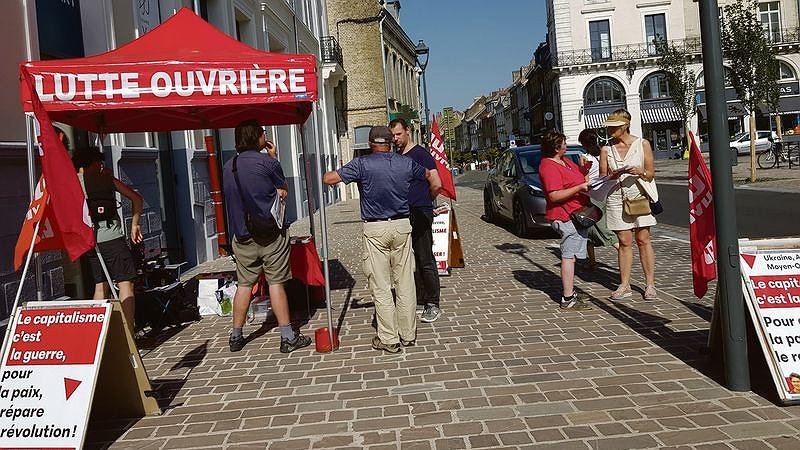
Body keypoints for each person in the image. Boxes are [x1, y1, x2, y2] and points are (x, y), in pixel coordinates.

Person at [323, 126, 440, 352]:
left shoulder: (362, 164)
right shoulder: (404, 162)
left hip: (375, 229)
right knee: (405, 282)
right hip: (402, 226)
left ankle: (388, 339)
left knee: (382, 286)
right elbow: (427, 174)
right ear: (390, 142)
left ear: (370, 144)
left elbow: (330, 179)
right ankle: (407, 334)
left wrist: (329, 171)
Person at [222, 119, 311, 353]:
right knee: (276, 283)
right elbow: (284, 190)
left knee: (244, 284)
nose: (265, 136)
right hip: (271, 235)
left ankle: (236, 336)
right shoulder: (266, 163)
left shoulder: (228, 165)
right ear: (257, 137)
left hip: (242, 235)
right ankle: (287, 336)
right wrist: (273, 157)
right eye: (263, 133)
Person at [72, 147, 143, 334]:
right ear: (94, 162)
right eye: (99, 162)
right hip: (112, 238)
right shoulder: (107, 179)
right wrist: (134, 225)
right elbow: (136, 198)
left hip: (90, 241)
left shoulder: (73, 184)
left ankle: (98, 333)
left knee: (100, 285)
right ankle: (128, 333)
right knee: (126, 283)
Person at [599, 109, 658, 301]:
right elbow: (602, 179)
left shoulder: (642, 144)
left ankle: (650, 285)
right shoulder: (606, 150)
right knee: (624, 242)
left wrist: (640, 171)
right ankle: (624, 285)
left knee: (643, 239)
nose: (610, 130)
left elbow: (650, 174)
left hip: (638, 196)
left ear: (624, 126)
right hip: (616, 197)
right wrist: (612, 176)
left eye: (614, 127)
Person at [389, 118, 443, 323]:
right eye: (392, 136)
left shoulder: (420, 154)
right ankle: (418, 298)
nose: (395, 139)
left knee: (424, 256)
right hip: (403, 213)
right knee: (407, 259)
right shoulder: (396, 156)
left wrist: (425, 202)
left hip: (420, 211)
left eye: (398, 134)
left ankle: (432, 302)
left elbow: (436, 183)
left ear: (408, 132)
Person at [538, 129, 592, 311]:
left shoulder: (564, 161)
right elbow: (554, 195)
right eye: (563, 144)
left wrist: (584, 170)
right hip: (565, 215)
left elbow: (577, 178)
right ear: (555, 147)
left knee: (572, 255)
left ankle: (570, 292)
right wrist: (579, 188)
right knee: (568, 256)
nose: (566, 146)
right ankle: (567, 297)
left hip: (576, 212)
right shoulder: (548, 166)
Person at [578, 129, 619, 269]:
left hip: (591, 195)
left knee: (598, 226)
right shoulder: (602, 153)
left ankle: (620, 248)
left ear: (583, 143)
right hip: (603, 193)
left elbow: (585, 179)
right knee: (589, 228)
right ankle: (592, 261)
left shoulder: (584, 157)